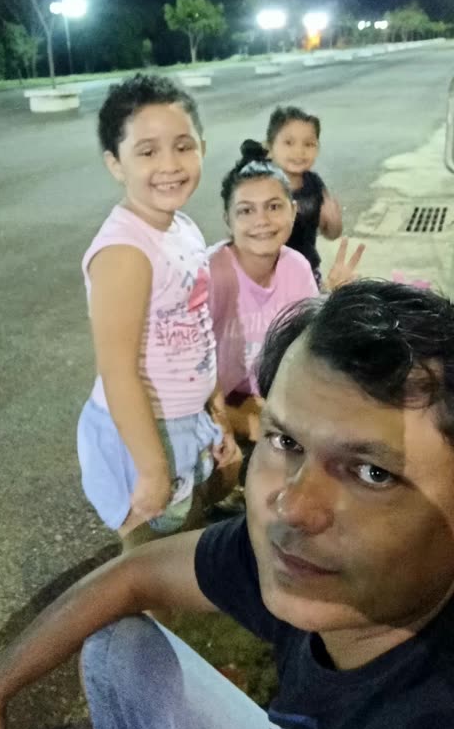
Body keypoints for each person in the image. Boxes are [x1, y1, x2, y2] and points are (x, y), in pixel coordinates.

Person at [0, 280, 454, 729]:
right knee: (116, 649)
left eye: (373, 473)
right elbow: (135, 574)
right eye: (285, 441)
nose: (292, 507)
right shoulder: (316, 564)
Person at [76, 75, 239, 549]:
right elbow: (117, 371)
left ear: (202, 147)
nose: (169, 164)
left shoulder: (181, 228)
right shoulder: (124, 252)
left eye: (183, 146)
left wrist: (215, 411)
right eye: (147, 152)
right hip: (142, 432)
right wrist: (150, 469)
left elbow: (196, 329)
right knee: (149, 554)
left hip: (185, 420)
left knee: (187, 530)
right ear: (116, 163)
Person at [208, 139, 363, 442]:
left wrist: (332, 298)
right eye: (246, 210)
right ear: (228, 220)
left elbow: (306, 344)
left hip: (272, 394)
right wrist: (228, 421)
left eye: (274, 207)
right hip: (217, 403)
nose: (262, 221)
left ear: (293, 211)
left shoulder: (296, 266)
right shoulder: (211, 273)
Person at [266, 105, 342, 286]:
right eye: (289, 143)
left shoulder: (314, 183)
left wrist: (333, 222)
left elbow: (331, 233)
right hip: (269, 275)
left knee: (310, 305)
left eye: (308, 144)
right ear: (270, 146)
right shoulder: (261, 186)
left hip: (307, 271)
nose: (299, 152)